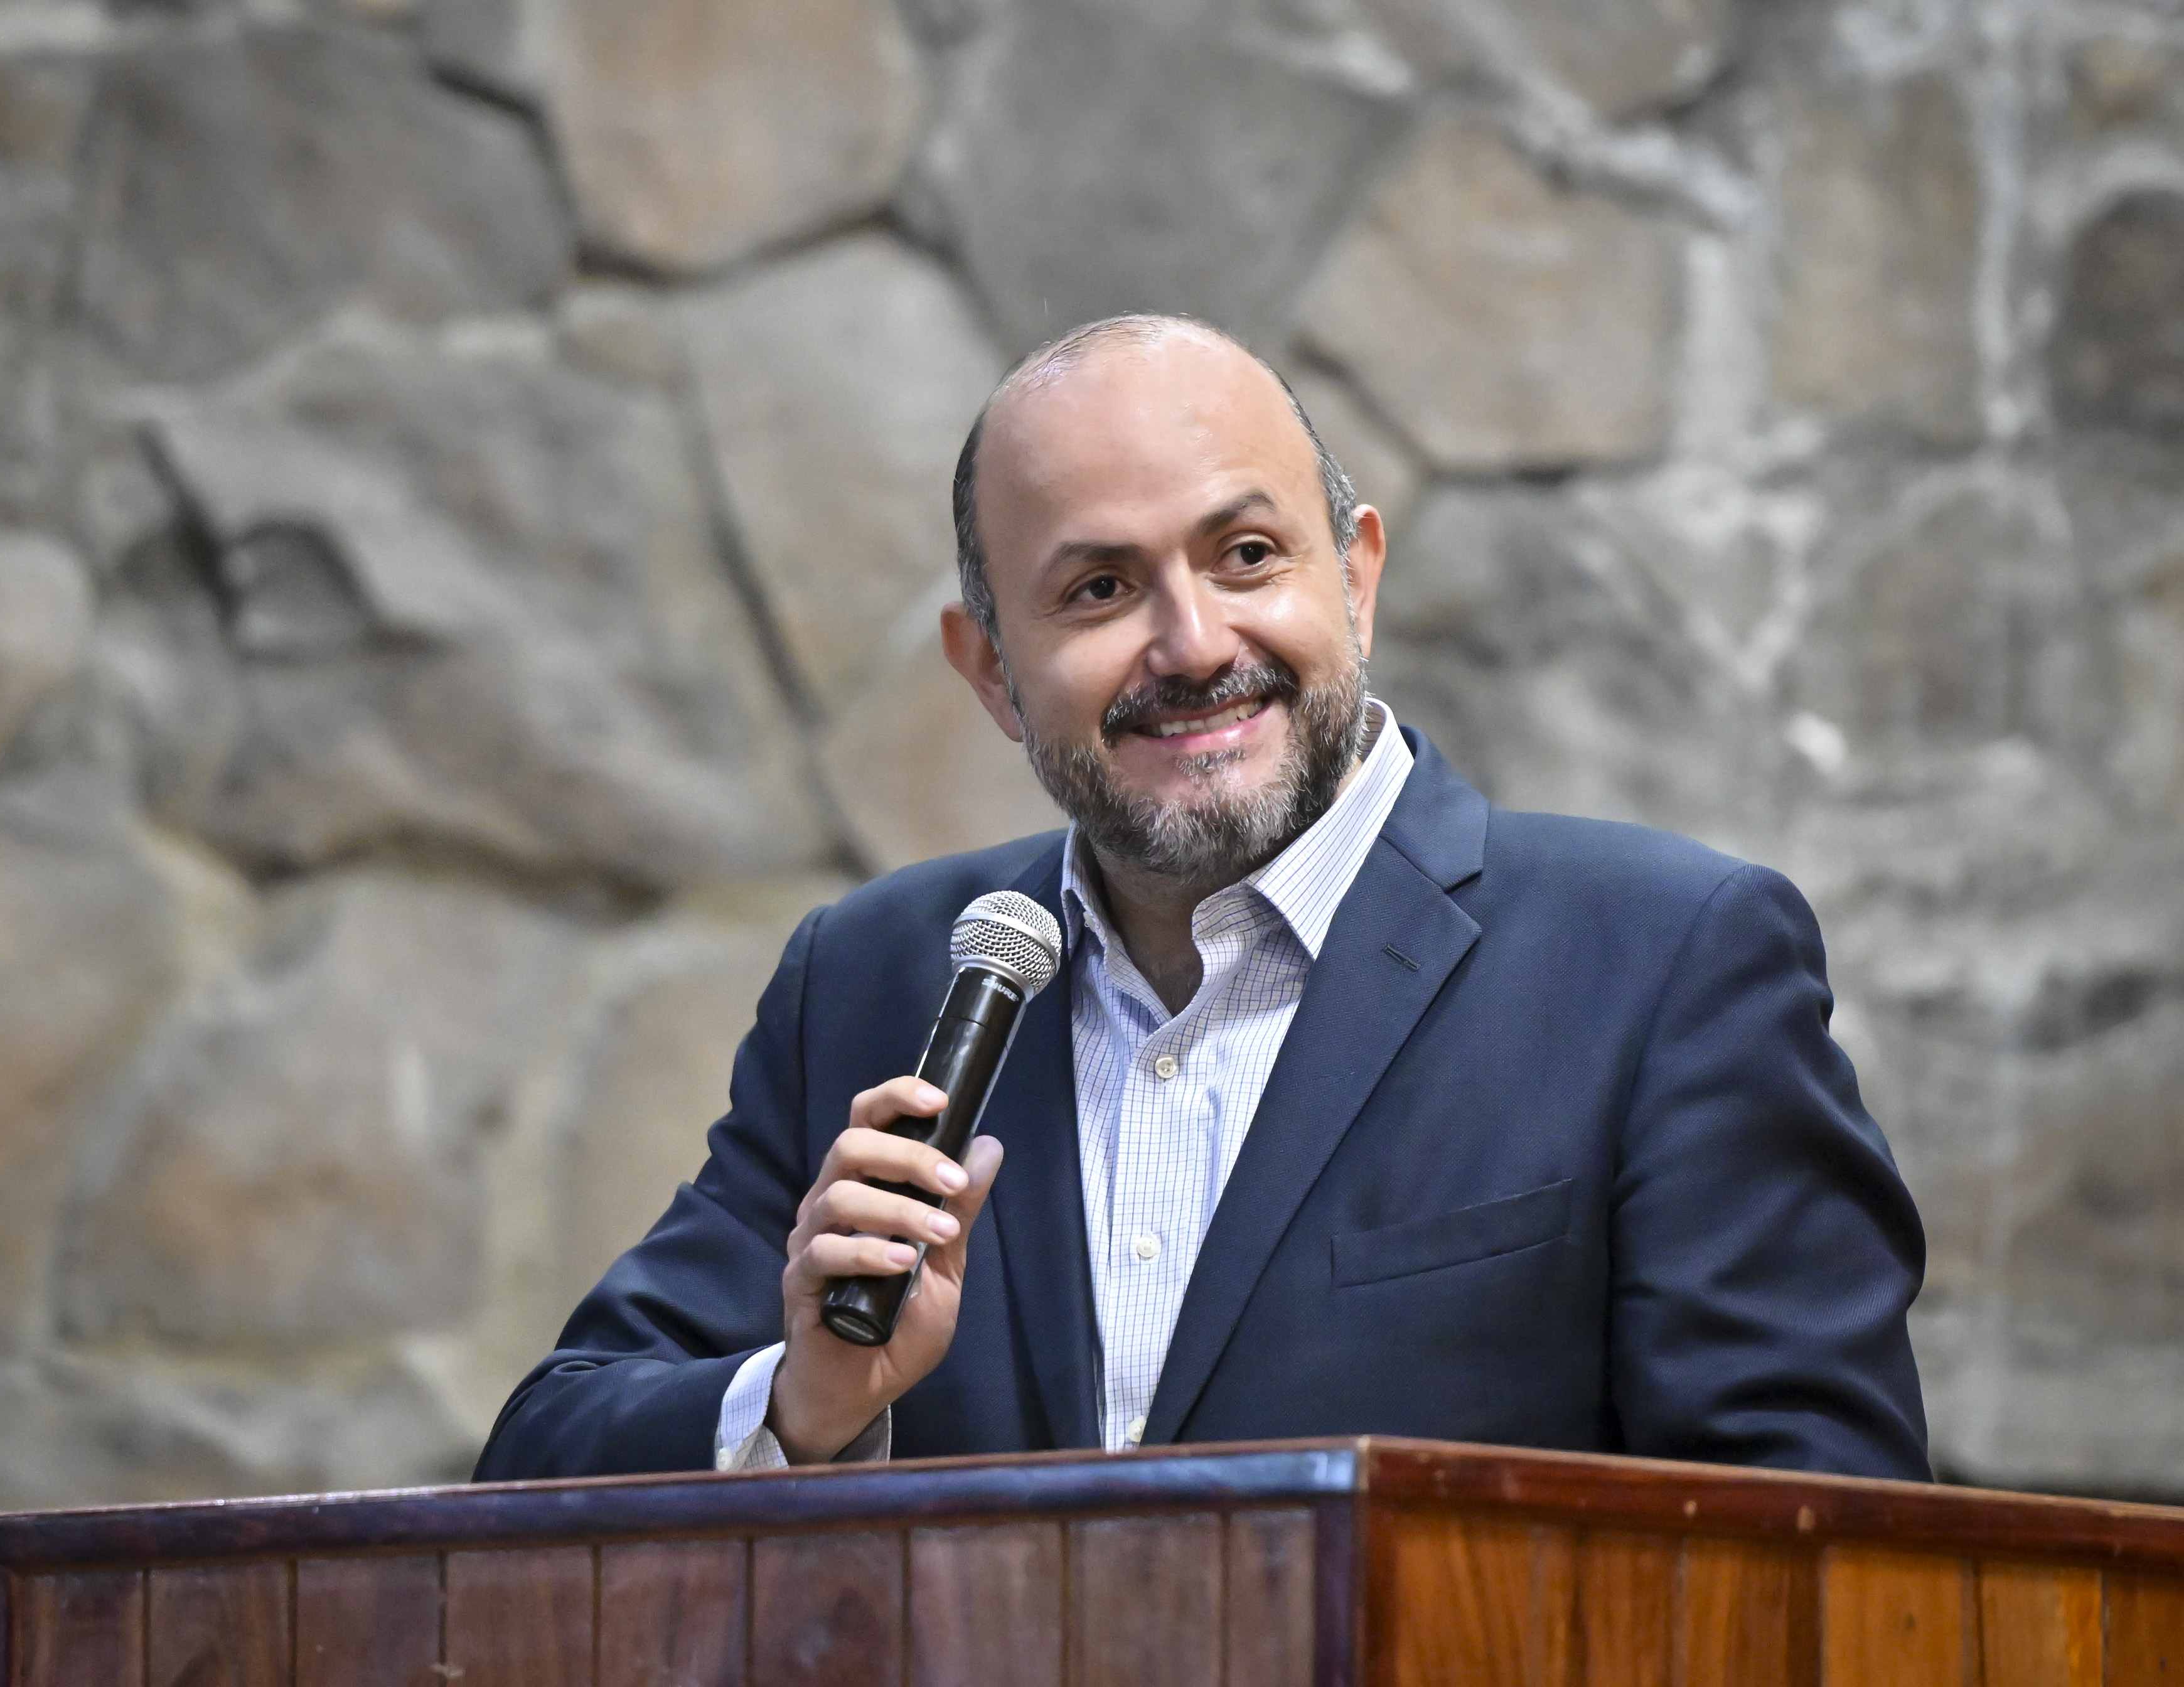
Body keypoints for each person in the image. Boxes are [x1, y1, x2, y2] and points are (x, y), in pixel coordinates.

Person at [474, 315, 1929, 1482]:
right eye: (1099, 590)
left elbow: (1823, 1559)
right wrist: (807, 1404)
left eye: (1246, 556)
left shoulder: (1666, 964)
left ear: (1356, 578)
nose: (1191, 642)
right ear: (991, 671)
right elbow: (549, 1448)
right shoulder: (876, 984)